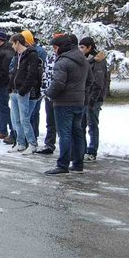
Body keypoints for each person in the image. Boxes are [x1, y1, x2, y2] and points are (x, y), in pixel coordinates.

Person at [45, 35, 90, 175]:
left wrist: (49, 93)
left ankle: (63, 165)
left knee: (64, 133)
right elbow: (90, 80)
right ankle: (78, 164)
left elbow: (58, 83)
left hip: (63, 102)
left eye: (56, 47)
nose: (54, 51)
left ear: (62, 47)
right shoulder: (83, 59)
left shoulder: (62, 62)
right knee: (77, 133)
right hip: (79, 101)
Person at [8, 33, 42, 155]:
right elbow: (14, 72)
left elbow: (31, 74)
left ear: (18, 42)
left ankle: (32, 144)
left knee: (24, 119)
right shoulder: (17, 56)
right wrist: (11, 87)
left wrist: (24, 89)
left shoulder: (31, 55)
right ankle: (20, 142)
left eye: (13, 43)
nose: (12, 46)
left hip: (23, 91)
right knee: (16, 119)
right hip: (14, 90)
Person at [79, 37, 108, 163]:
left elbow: (98, 83)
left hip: (93, 99)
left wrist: (92, 100)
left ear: (90, 47)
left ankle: (92, 151)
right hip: (84, 97)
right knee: (82, 125)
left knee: (92, 125)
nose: (80, 50)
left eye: (82, 47)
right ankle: (82, 149)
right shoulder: (88, 59)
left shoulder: (98, 61)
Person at [37, 35, 62, 155]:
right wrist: (44, 89)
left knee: (62, 123)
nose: (54, 48)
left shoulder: (65, 58)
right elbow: (45, 73)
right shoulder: (50, 57)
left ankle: (66, 146)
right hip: (49, 94)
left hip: (61, 96)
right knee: (50, 121)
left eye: (56, 46)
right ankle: (49, 144)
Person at [0, 30, 16, 144]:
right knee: (2, 107)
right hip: (2, 83)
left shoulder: (6, 52)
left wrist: (0, 81)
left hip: (4, 84)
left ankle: (12, 131)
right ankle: (3, 129)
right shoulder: (1, 50)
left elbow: (5, 71)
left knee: (4, 107)